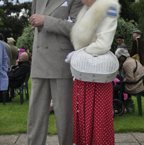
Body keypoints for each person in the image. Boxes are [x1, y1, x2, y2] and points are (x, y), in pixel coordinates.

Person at [27, 1, 83, 145]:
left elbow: (79, 29)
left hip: (61, 62)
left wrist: (46, 20)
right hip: (39, 61)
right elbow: (34, 23)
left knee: (65, 117)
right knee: (35, 117)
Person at [70, 0, 120, 144]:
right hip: (81, 73)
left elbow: (104, 43)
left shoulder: (110, 7)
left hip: (98, 74)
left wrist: (79, 53)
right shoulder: (84, 9)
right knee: (81, 116)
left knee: (99, 120)